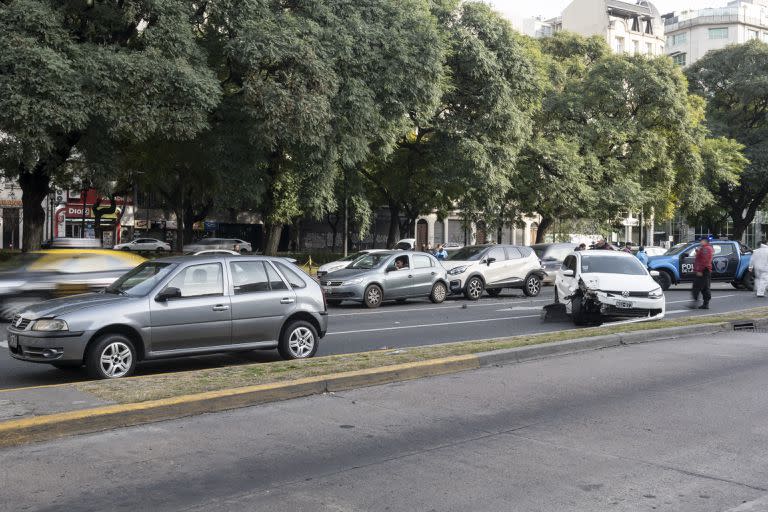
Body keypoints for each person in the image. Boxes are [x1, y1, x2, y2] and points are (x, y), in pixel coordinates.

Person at [691, 238, 714, 309]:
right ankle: (705, 304)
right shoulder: (706, 248)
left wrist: (700, 270)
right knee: (705, 287)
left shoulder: (705, 249)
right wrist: (698, 252)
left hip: (703, 270)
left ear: (705, 241)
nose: (700, 242)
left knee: (697, 287)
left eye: (701, 241)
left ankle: (695, 303)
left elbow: (705, 260)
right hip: (705, 270)